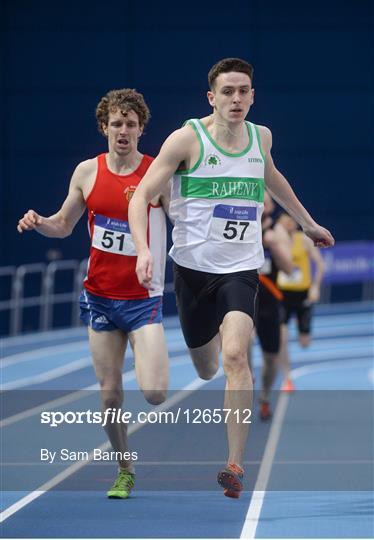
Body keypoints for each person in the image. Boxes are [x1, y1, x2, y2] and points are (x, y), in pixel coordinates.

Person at [128, 57, 334, 498]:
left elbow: (272, 177)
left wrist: (307, 223)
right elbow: (143, 194)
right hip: (191, 272)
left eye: (243, 91)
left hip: (240, 271)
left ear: (253, 96)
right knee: (207, 366)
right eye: (227, 92)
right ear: (211, 97)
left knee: (237, 358)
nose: (236, 99)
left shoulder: (261, 137)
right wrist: (145, 249)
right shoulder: (186, 139)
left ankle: (235, 463)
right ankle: (214, 337)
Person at [17, 88, 170, 499]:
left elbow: (183, 222)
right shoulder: (87, 172)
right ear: (104, 127)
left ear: (141, 130)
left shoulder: (157, 174)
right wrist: (40, 221)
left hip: (142, 300)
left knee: (155, 392)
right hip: (99, 298)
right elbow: (64, 224)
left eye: (131, 124)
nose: (124, 131)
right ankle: (124, 467)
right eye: (117, 123)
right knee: (109, 394)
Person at [248, 192, 293, 421]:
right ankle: (244, 376)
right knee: (240, 340)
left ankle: (264, 396)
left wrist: (273, 245)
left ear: (271, 205)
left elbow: (289, 268)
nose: (260, 204)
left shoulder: (277, 231)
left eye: (263, 201)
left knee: (271, 359)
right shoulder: (241, 224)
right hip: (244, 296)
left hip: (270, 302)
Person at [276, 212, 326, 391]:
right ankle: (287, 378)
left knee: (304, 343)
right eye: (284, 221)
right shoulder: (277, 241)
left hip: (303, 295)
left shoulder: (303, 240)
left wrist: (315, 287)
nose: (287, 224)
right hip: (283, 296)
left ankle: (300, 323)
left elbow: (320, 265)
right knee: (282, 338)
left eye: (290, 221)